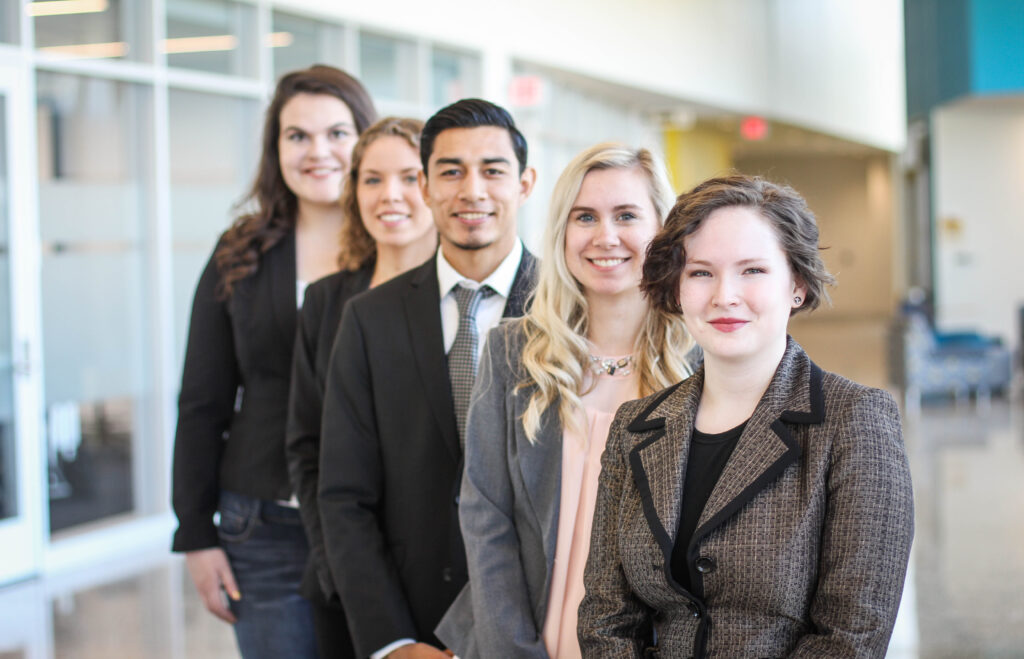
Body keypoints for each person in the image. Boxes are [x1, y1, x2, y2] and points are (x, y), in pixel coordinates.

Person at [578, 174, 914, 657]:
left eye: (752, 271)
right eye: (700, 273)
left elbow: (851, 637)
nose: (724, 296)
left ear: (796, 284)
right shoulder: (635, 427)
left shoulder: (854, 421)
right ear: (675, 287)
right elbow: (605, 620)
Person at [435, 143, 694, 659]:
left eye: (626, 215)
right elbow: (485, 514)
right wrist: (512, 649)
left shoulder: (698, 366)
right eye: (585, 217)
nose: (605, 236)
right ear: (562, 232)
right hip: (515, 637)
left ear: (662, 230)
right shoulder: (514, 349)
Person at [318, 98, 538, 659]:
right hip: (411, 619)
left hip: (543, 621)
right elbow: (345, 496)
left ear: (525, 183)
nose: (472, 190)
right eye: (450, 171)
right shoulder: (370, 319)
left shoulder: (572, 311)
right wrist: (391, 641)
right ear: (423, 183)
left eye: (492, 170)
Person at [171, 65, 376, 659]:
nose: (319, 152)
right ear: (276, 148)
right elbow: (201, 401)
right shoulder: (241, 252)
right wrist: (195, 534)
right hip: (261, 525)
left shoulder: (401, 250)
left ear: (365, 140)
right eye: (298, 136)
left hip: (371, 524)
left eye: (338, 133)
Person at [286, 116, 437, 657]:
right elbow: (306, 450)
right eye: (371, 179)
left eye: (410, 176)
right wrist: (340, 572)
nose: (389, 195)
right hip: (348, 588)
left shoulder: (469, 302)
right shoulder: (327, 303)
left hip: (450, 583)